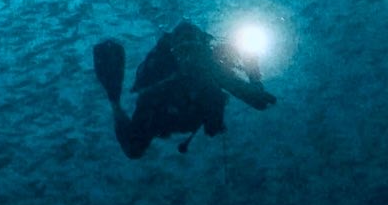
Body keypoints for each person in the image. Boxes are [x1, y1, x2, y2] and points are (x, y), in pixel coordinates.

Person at [93, 21, 276, 159]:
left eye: (193, 49)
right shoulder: (162, 70)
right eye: (183, 50)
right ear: (174, 51)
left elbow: (260, 101)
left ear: (202, 50)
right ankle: (114, 102)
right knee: (134, 149)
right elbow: (145, 98)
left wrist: (253, 73)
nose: (188, 57)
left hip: (191, 115)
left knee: (134, 149)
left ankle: (114, 102)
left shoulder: (212, 69)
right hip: (164, 115)